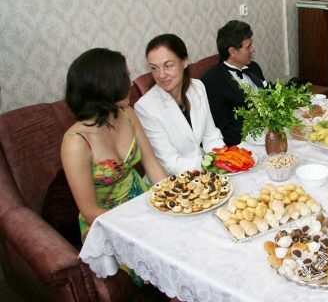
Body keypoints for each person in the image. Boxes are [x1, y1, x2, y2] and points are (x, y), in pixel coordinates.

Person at [61, 48, 168, 285]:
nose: (130, 84)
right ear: (104, 86)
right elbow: (90, 211)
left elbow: (151, 163)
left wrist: (174, 197)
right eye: (125, 77)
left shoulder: (128, 114)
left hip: (142, 200)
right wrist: (142, 226)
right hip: (108, 221)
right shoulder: (75, 142)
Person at [135, 34, 225, 175]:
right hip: (173, 179)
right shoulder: (146, 107)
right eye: (154, 68)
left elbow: (211, 136)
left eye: (168, 65)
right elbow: (170, 163)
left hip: (205, 168)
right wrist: (214, 163)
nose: (161, 75)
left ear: (184, 61)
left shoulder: (197, 87)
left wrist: (225, 160)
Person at [202, 20, 267, 145]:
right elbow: (221, 127)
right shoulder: (212, 81)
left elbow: (267, 94)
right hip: (243, 142)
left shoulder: (254, 68)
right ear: (232, 51)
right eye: (248, 47)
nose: (252, 50)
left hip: (268, 130)